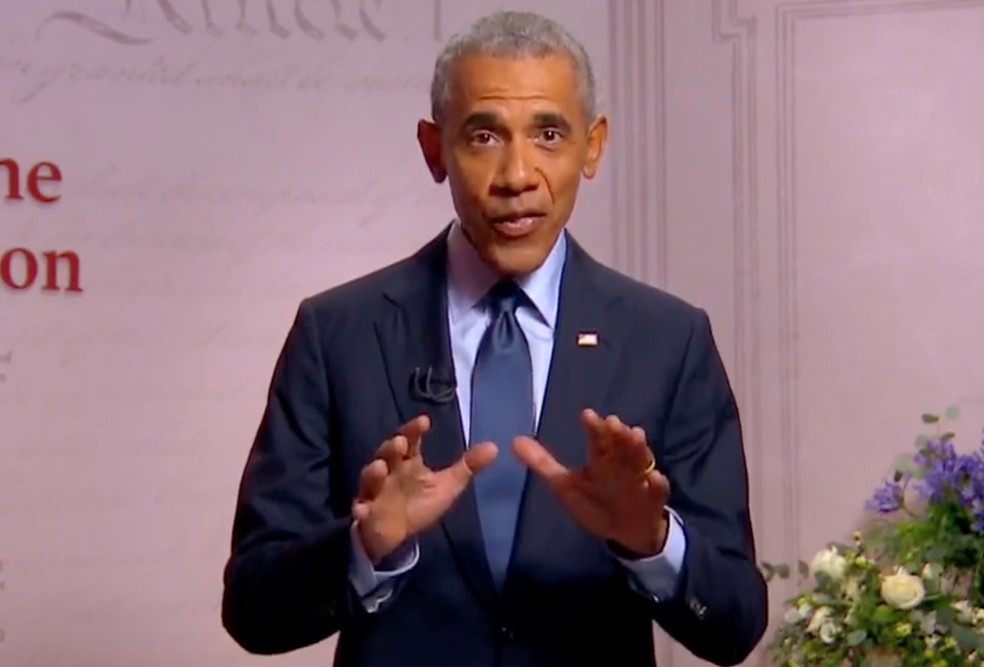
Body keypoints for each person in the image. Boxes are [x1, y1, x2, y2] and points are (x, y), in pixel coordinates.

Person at [221, 10, 767, 667]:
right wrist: (364, 548)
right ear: (434, 148)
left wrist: (651, 542)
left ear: (592, 146)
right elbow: (254, 606)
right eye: (484, 135)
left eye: (549, 134)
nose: (516, 175)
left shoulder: (668, 340)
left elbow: (735, 621)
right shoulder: (338, 332)